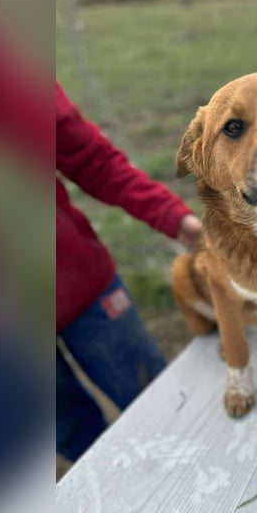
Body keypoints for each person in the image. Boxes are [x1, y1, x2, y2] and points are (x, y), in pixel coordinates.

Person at [55, 83, 202, 462]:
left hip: (82, 286)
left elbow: (93, 160)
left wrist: (176, 218)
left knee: (158, 404)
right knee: (75, 439)